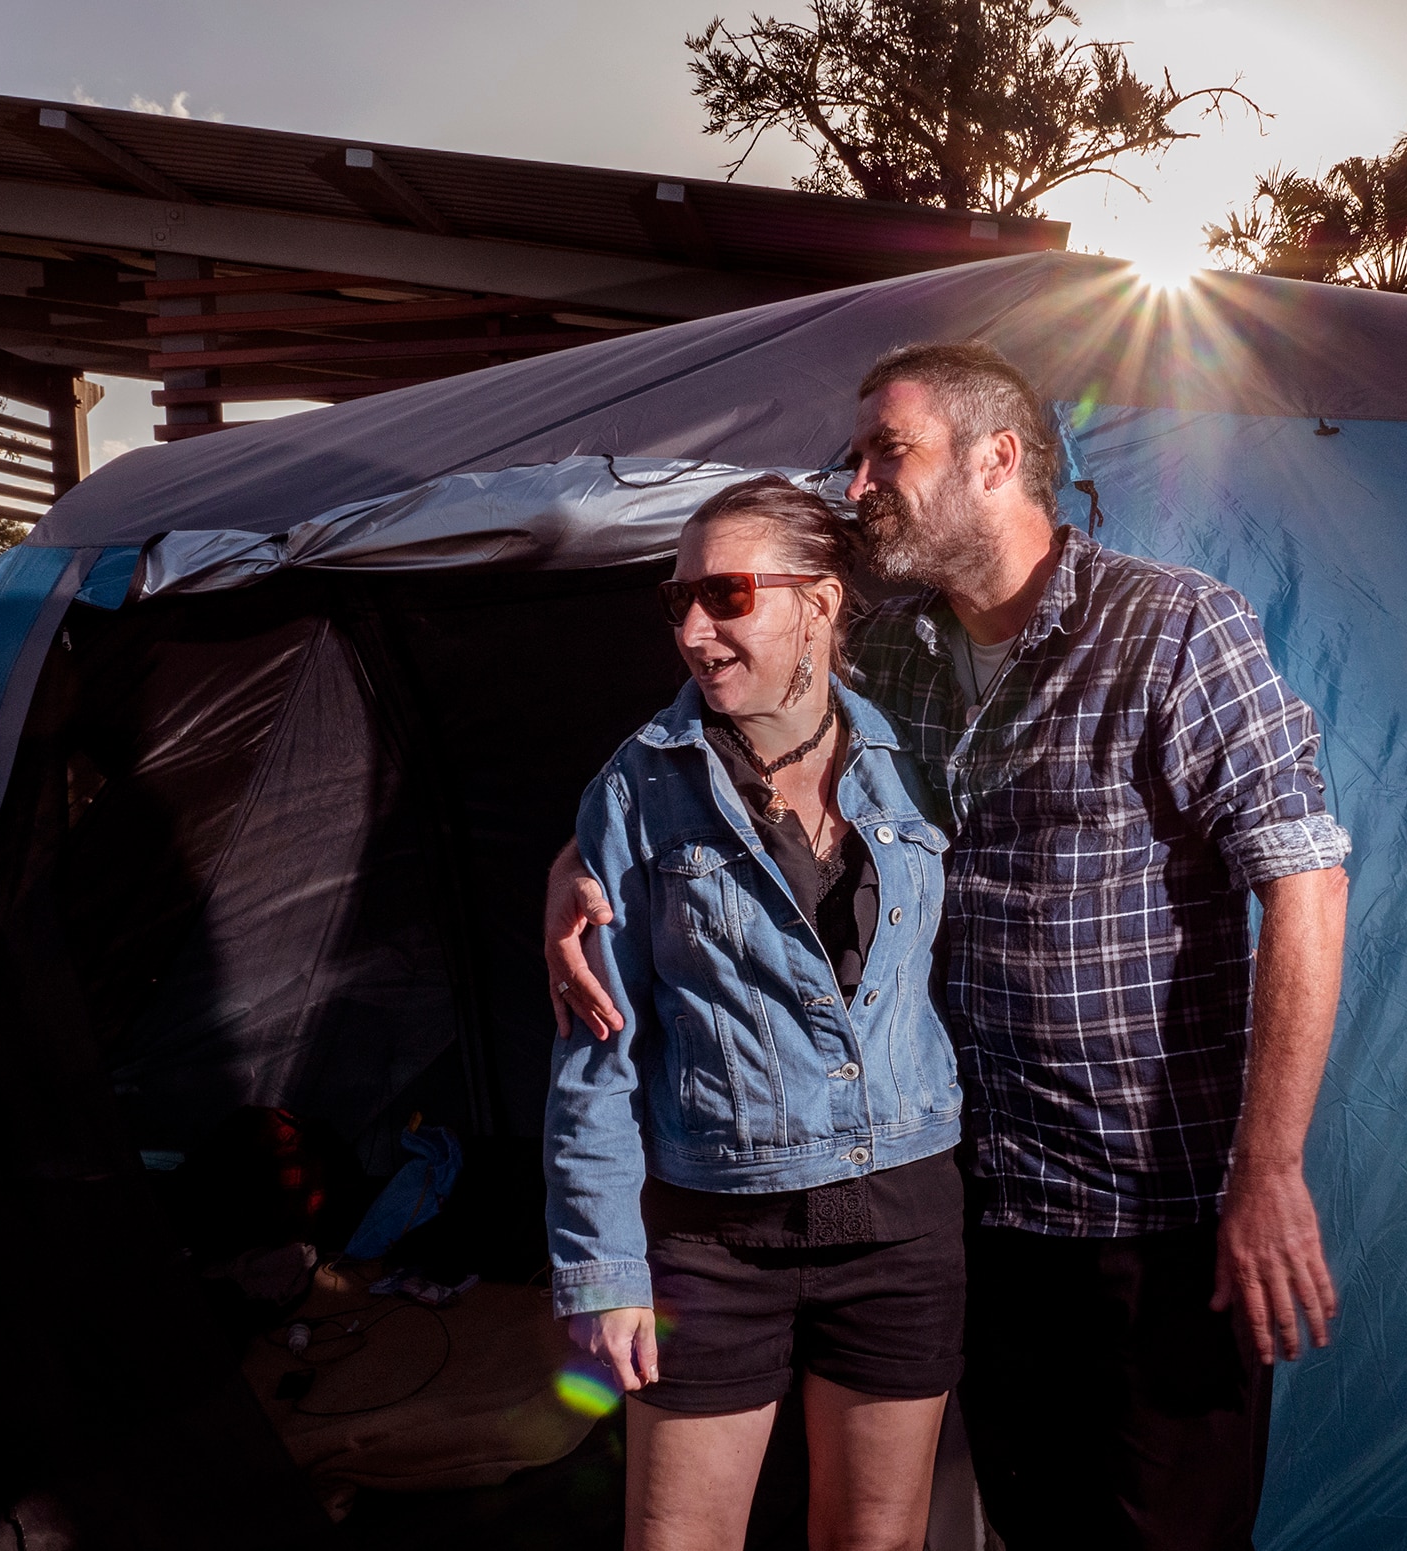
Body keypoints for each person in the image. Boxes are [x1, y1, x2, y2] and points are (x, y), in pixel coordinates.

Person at [549, 343, 1352, 1550]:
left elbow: (1304, 880)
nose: (858, 479)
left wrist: (1271, 1169)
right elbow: (730, 732)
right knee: (1026, 1522)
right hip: (979, 1207)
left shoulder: (1175, 628)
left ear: (997, 459)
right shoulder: (899, 656)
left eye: (889, 452)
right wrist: (574, 864)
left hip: (1155, 1210)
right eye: (856, 456)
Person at [548, 475, 966, 1551]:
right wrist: (603, 1266)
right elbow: (598, 1050)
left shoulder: (923, 755)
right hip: (713, 1233)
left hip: (902, 1217)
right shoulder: (636, 790)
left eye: (726, 594)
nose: (693, 627)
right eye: (677, 599)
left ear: (818, 604)